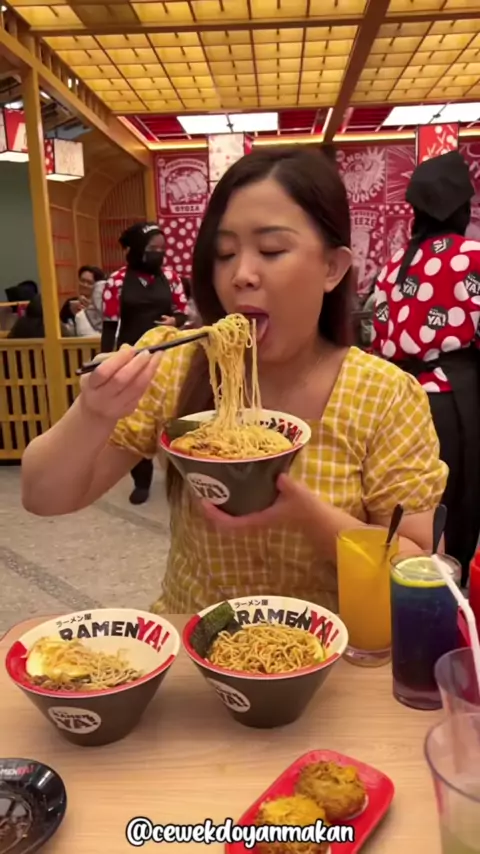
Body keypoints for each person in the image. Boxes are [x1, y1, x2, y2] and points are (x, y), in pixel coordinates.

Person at [21, 146, 447, 615]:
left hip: (330, 648)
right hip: (194, 636)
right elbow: (44, 497)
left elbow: (416, 563)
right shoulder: (176, 363)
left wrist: (304, 514)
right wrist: (93, 412)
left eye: (272, 250)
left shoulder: (384, 395)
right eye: (224, 254)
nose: (241, 275)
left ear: (332, 268)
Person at [371, 150, 480, 585]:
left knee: (415, 503)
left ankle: (416, 582)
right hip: (457, 399)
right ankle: (455, 587)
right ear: (462, 209)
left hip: (404, 399)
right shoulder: (473, 256)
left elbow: (379, 337)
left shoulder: (394, 266)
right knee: (462, 497)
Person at [100, 221, 188, 505]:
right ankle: (141, 480)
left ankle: (181, 474)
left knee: (174, 417)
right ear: (138, 249)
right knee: (135, 420)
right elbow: (109, 326)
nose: (158, 253)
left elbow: (183, 311)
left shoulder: (171, 277)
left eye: (162, 248)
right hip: (133, 358)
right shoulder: (116, 282)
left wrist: (175, 320)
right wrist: (106, 361)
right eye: (152, 248)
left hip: (168, 357)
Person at [60, 266, 105, 336]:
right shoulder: (70, 303)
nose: (84, 285)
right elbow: (60, 328)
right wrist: (72, 313)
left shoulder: (103, 304)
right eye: (82, 281)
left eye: (89, 283)